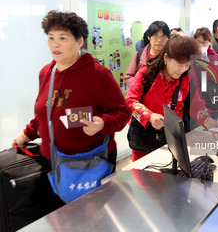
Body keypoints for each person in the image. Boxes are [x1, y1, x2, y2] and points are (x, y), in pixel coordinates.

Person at [13, 10, 131, 171]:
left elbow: (123, 112)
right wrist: (27, 134)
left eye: (63, 38)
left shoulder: (98, 74)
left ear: (80, 41)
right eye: (51, 37)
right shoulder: (46, 72)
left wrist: (103, 123)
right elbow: (46, 112)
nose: (55, 44)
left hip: (89, 161)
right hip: (53, 160)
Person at [126, 35, 218, 161]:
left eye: (187, 66)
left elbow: (196, 106)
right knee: (143, 175)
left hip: (173, 139)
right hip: (145, 139)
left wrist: (208, 120)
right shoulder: (146, 72)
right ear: (166, 58)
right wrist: (150, 116)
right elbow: (131, 100)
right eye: (179, 65)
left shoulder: (186, 78)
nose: (182, 70)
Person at [192, 27, 218, 120]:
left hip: (210, 104)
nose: (201, 45)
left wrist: (208, 67)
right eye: (198, 42)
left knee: (211, 133)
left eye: (204, 42)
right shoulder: (190, 58)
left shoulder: (216, 58)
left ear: (209, 43)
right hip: (193, 104)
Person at [124, 21, 170, 86]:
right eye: (155, 36)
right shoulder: (139, 54)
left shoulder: (171, 56)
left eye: (163, 36)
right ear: (149, 37)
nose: (159, 40)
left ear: (168, 38)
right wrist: (141, 85)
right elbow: (128, 77)